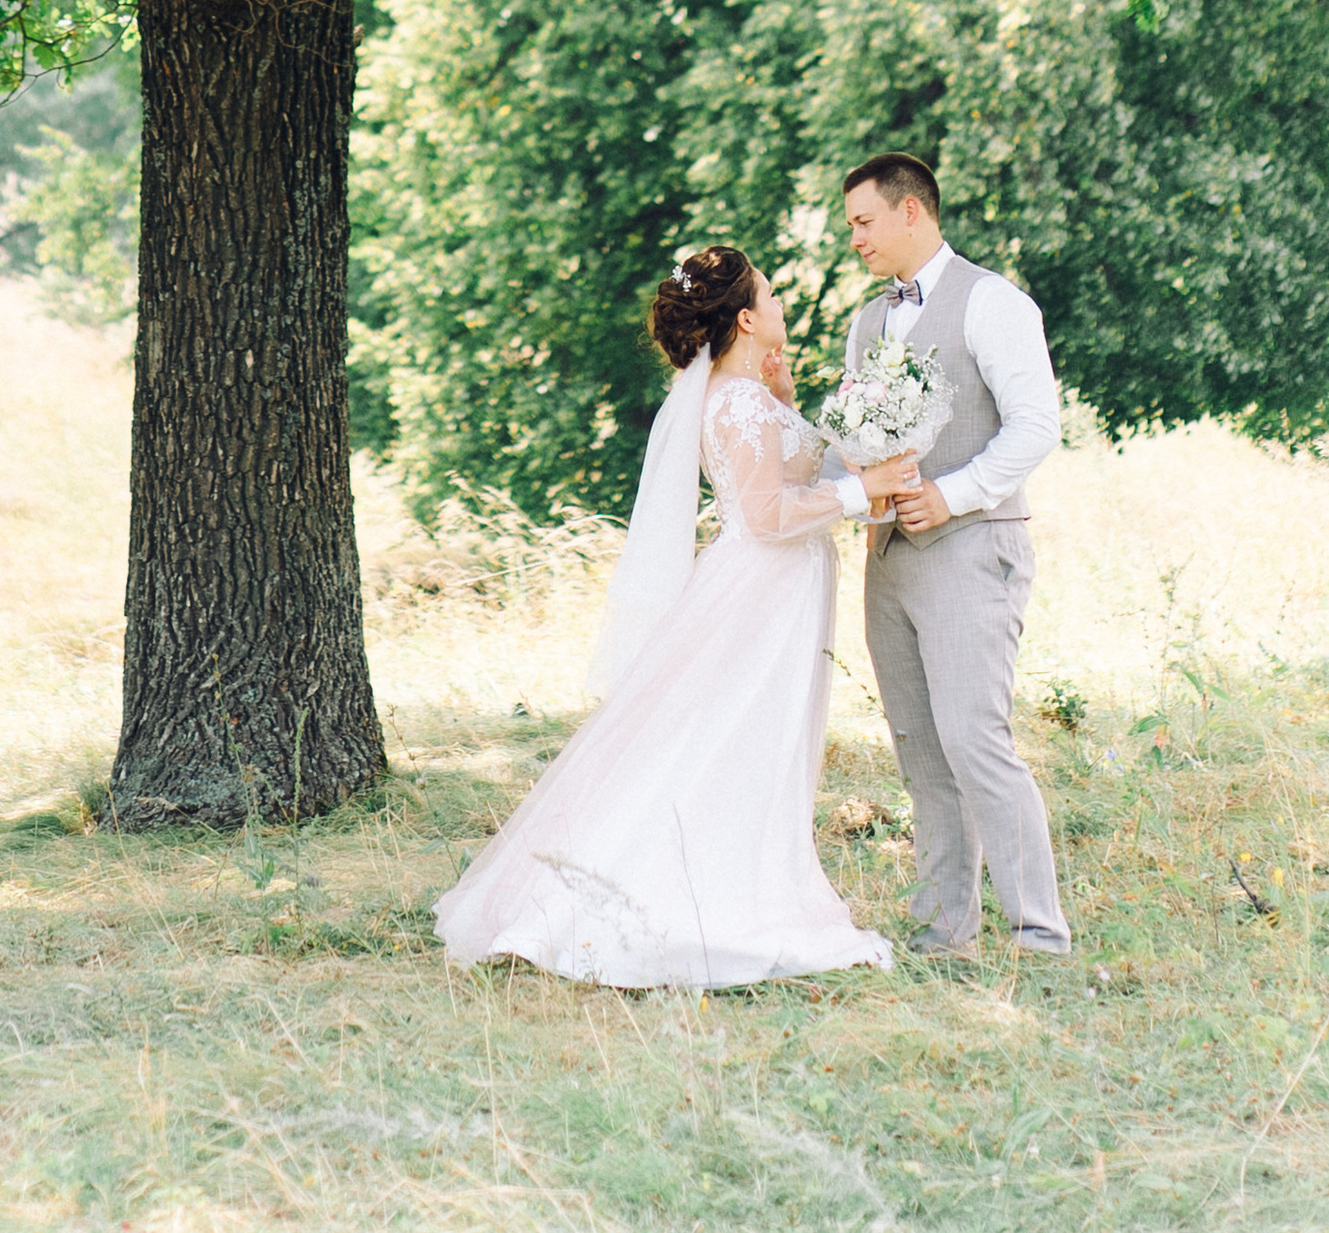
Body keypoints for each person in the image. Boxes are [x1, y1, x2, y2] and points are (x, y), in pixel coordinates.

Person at [434, 242, 917, 989]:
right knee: (735, 735)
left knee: (739, 733)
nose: (781, 304)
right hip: (762, 591)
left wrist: (790, 402)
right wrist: (864, 487)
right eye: (771, 294)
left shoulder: (744, 392)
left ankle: (726, 869)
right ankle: (701, 894)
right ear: (746, 318)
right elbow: (765, 514)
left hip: (776, 586)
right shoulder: (738, 401)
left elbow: (776, 479)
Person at [835, 151, 1070, 960]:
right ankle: (944, 930)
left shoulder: (993, 302)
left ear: (912, 211)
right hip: (889, 559)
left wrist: (954, 493)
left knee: (975, 740)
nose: (855, 238)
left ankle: (1040, 932)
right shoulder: (866, 323)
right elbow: (858, 442)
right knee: (921, 749)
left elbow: (1036, 423)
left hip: (971, 547)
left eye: (864, 221)